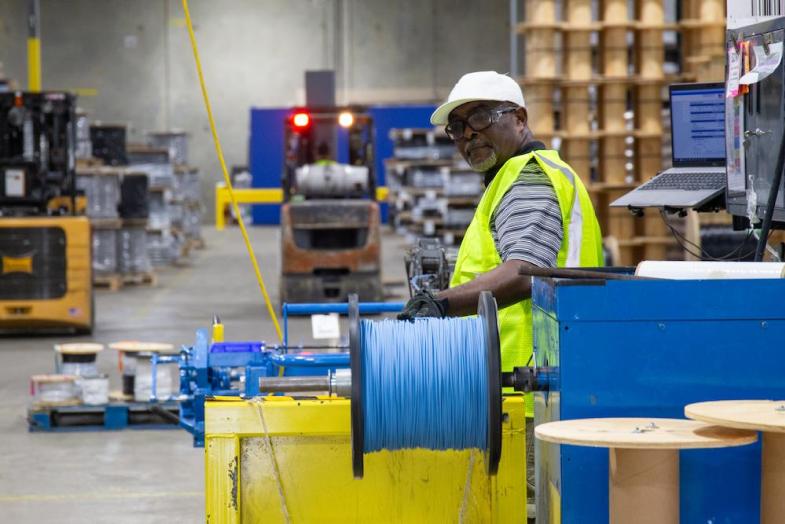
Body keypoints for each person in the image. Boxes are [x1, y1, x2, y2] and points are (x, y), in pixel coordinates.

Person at [399, 70, 603, 404]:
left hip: (533, 392)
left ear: (519, 119)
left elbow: (526, 273)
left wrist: (441, 303)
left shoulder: (529, 178)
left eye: (480, 117)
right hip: (529, 385)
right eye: (457, 127)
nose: (468, 135)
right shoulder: (515, 178)